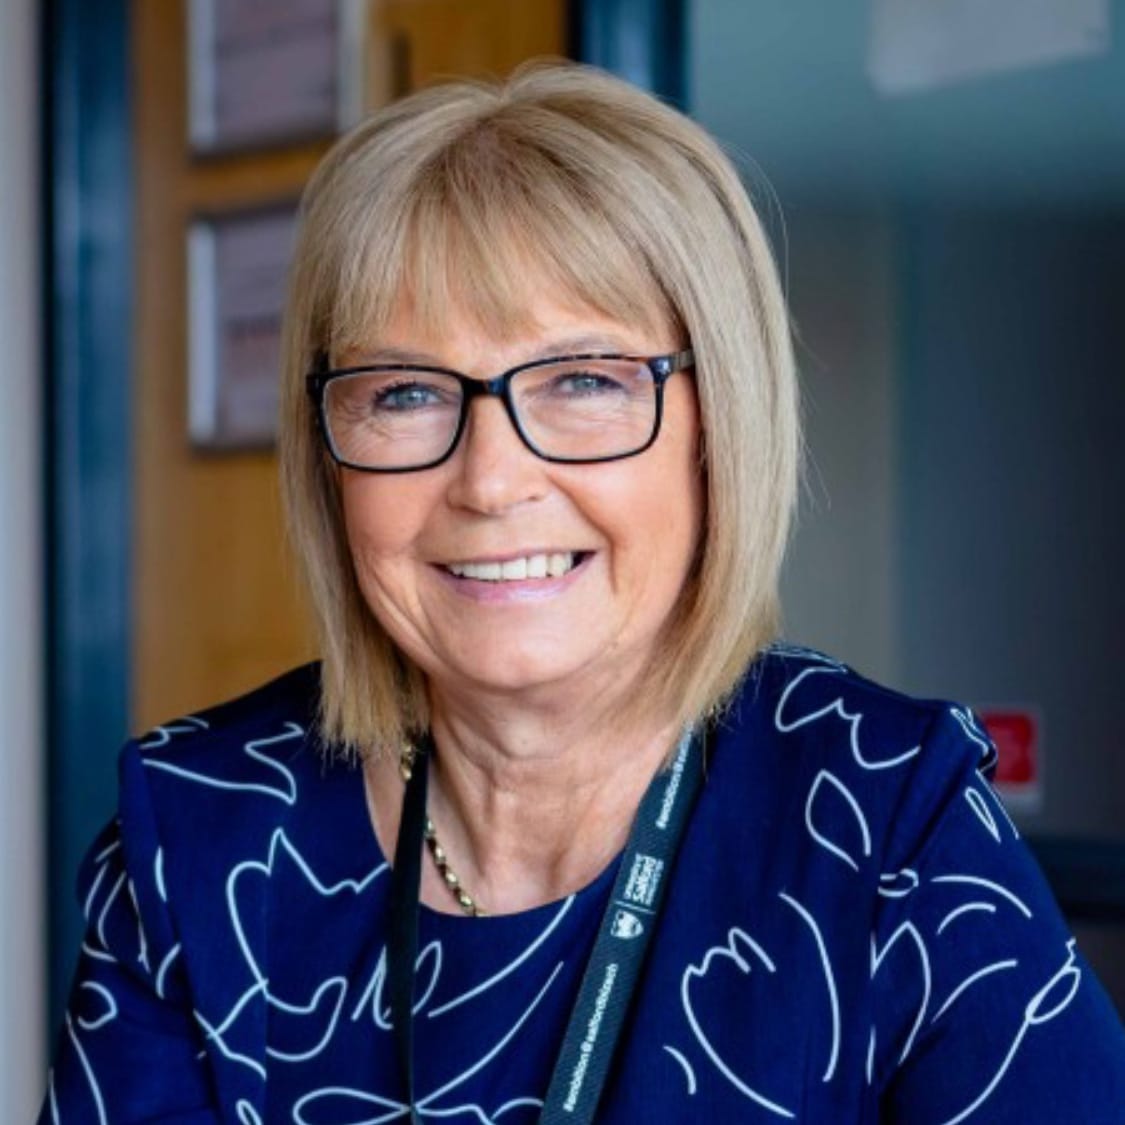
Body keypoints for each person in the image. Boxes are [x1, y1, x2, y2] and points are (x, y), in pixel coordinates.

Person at [42, 62, 1125, 1123]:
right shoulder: (195, 835)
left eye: (582, 381)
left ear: (717, 427)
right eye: (406, 393)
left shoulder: (887, 824)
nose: (490, 480)